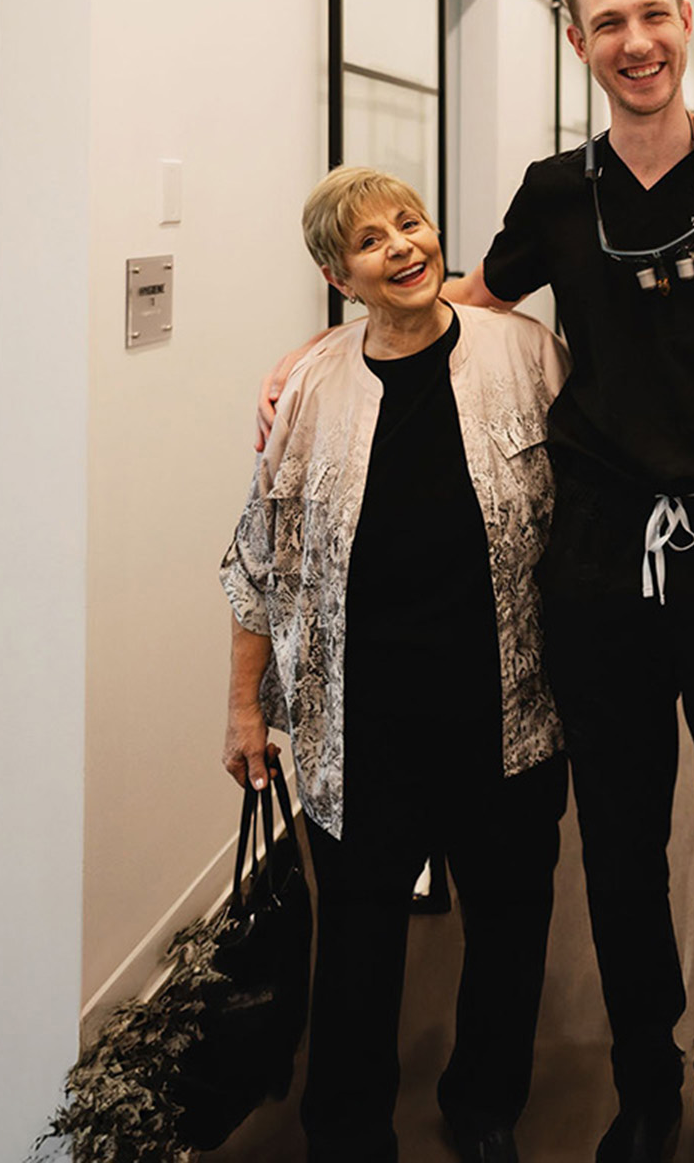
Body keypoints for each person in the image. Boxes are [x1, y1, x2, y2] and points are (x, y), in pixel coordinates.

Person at [257, 0, 694, 1163]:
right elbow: (461, 298)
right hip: (599, 558)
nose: (635, 41)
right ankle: (645, 1078)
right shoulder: (560, 195)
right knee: (617, 844)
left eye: (652, 15)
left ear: (685, 23)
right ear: (580, 44)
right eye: (608, 24)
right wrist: (317, 348)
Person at [221, 165, 572, 1163]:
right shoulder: (311, 389)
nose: (402, 249)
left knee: (510, 918)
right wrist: (246, 710)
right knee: (362, 936)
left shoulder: (526, 354)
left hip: (509, 703)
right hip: (359, 720)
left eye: (409, 224)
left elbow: (614, 467)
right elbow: (262, 557)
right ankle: (348, 1124)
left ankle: (484, 1103)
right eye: (371, 243)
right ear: (342, 276)